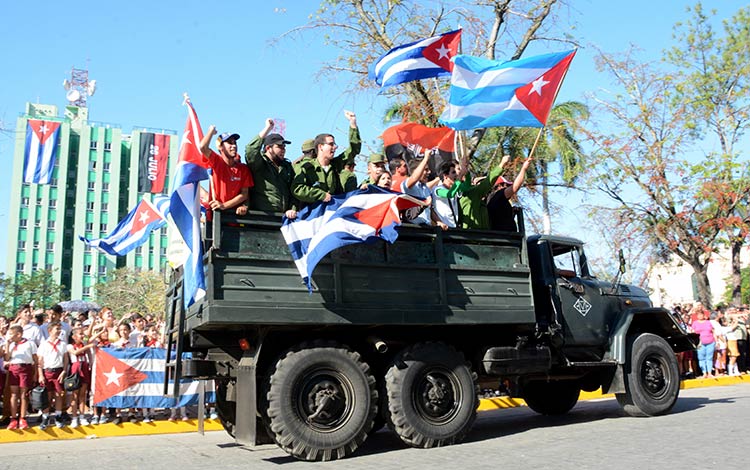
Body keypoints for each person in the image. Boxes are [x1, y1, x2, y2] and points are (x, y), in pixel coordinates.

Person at [245, 119, 298, 219]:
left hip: (283, 218)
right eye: (279, 146)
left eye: (284, 147)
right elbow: (250, 150)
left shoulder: (286, 167)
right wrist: (267, 129)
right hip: (261, 218)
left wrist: (292, 208)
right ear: (268, 148)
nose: (283, 150)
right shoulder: (260, 164)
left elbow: (293, 191)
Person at [200, 127, 253, 216]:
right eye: (230, 143)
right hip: (216, 217)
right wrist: (211, 131)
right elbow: (203, 147)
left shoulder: (243, 169)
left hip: (235, 218)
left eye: (235, 143)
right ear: (220, 147)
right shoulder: (216, 161)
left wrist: (224, 205)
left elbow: (244, 194)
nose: (234, 146)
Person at [458, 155, 513, 230]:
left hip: (484, 235)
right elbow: (488, 181)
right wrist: (502, 164)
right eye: (480, 183)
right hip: (472, 235)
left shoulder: (485, 201)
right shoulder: (471, 194)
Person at [3, 324, 38, 429]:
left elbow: (35, 359)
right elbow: (7, 358)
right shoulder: (11, 345)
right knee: (14, 394)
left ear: (18, 334)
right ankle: (13, 418)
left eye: (11, 334)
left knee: (24, 394)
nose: (9, 336)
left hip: (25, 368)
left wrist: (35, 373)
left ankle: (23, 418)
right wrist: (7, 345)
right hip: (13, 368)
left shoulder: (30, 343)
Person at [36, 321, 69, 430]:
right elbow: (40, 362)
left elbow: (65, 359)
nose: (59, 331)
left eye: (60, 329)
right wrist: (40, 375)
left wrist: (64, 371)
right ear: (50, 331)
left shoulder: (62, 344)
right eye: (57, 329)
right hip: (47, 371)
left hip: (58, 371)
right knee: (47, 396)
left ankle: (58, 416)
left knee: (59, 395)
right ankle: (45, 417)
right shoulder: (44, 344)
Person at [487, 156, 533, 232]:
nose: (508, 187)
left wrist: (512, 211)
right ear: (499, 186)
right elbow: (515, 187)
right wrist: (524, 169)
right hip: (505, 237)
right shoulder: (498, 195)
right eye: (507, 185)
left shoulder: (492, 199)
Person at [400, 150, 439, 227]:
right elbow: (414, 178)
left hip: (426, 227)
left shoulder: (425, 188)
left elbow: (430, 209)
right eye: (426, 169)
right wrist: (425, 158)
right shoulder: (408, 185)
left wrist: (438, 221)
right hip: (413, 228)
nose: (429, 172)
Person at [67, 327, 95, 428]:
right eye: (80, 334)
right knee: (75, 395)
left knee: (83, 394)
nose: (82, 336)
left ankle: (82, 416)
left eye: (83, 334)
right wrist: (87, 346)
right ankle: (74, 417)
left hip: (84, 367)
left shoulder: (84, 344)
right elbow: (75, 352)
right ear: (74, 336)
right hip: (76, 369)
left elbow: (89, 353)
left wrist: (90, 363)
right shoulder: (70, 345)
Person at [431, 160, 469, 230]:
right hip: (443, 230)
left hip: (454, 228)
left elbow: (467, 186)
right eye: (453, 172)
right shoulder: (437, 189)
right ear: (445, 176)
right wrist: (460, 176)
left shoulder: (455, 188)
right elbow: (450, 194)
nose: (456, 175)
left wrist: (466, 172)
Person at [692, 309, 717, 378]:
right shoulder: (695, 323)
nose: (700, 316)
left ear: (704, 315)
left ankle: (709, 373)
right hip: (700, 343)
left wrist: (716, 341)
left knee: (709, 358)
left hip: (710, 342)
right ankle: (704, 373)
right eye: (699, 315)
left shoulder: (708, 322)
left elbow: (713, 332)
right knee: (701, 358)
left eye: (701, 314)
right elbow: (693, 333)